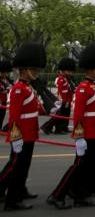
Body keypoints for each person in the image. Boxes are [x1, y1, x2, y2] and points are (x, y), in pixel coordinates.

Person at [48, 43, 95, 209]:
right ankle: (57, 195)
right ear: (92, 69)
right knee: (79, 166)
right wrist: (79, 136)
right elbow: (78, 115)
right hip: (87, 133)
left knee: (86, 167)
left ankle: (79, 193)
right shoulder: (84, 88)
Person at [0, 43, 46, 211]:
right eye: (33, 70)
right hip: (21, 134)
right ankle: (12, 200)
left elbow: (34, 109)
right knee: (15, 167)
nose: (36, 73)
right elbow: (14, 116)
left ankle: (18, 192)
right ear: (24, 70)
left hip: (29, 133)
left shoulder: (28, 87)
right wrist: (16, 136)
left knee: (22, 166)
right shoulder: (19, 88)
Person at [41, 57, 76, 135]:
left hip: (68, 100)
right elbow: (62, 91)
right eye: (69, 71)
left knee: (66, 115)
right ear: (64, 70)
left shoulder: (68, 79)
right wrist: (65, 100)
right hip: (63, 100)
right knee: (60, 115)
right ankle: (49, 127)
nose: (70, 73)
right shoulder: (61, 79)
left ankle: (64, 127)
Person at [0, 60, 12, 131]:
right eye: (4, 72)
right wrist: (6, 89)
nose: (6, 74)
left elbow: (8, 87)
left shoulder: (5, 79)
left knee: (2, 115)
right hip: (0, 100)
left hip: (4, 100)